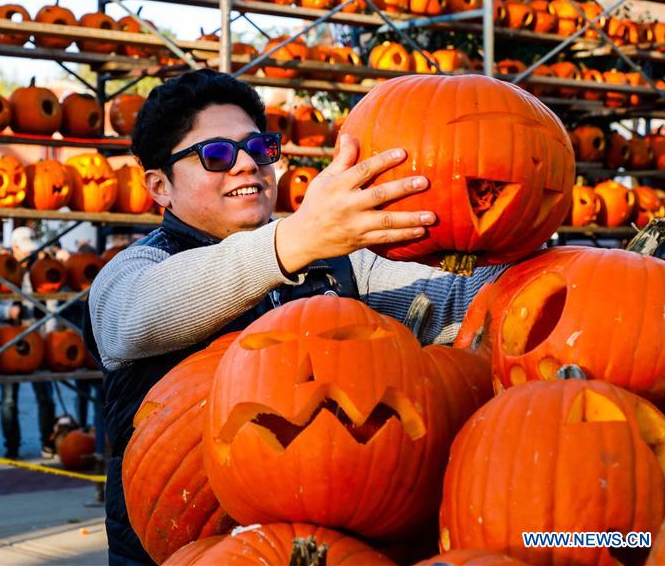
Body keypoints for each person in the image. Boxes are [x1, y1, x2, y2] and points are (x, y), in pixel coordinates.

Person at [87, 69, 509, 565]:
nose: (247, 164)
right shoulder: (135, 269)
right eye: (217, 154)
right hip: (186, 549)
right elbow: (134, 319)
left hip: (324, 542)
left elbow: (460, 298)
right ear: (160, 186)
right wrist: (296, 239)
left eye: (259, 147)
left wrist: (506, 222)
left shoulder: (337, 261)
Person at [0, 226, 56, 460]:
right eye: (24, 250)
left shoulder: (38, 270)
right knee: (9, 399)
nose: (28, 254)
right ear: (14, 248)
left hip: (37, 337)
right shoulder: (0, 269)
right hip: (9, 338)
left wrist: (50, 333)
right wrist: (7, 311)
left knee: (45, 395)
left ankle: (48, 442)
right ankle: (12, 446)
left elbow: (52, 303)